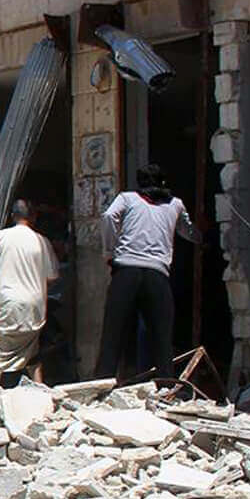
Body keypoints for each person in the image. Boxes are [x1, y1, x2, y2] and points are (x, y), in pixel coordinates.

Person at [96, 164, 197, 383]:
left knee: (113, 333)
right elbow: (188, 232)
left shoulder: (127, 198)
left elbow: (108, 217)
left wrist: (109, 251)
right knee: (161, 337)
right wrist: (203, 237)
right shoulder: (175, 204)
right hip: (157, 275)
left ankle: (101, 385)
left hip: (125, 271)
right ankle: (165, 386)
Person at [0, 199, 59, 386]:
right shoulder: (41, 241)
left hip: (7, 305)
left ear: (12, 216)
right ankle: (40, 390)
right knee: (32, 351)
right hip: (34, 308)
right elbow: (52, 276)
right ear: (33, 217)